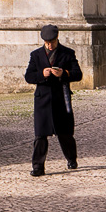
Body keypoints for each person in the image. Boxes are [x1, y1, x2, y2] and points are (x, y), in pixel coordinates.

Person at [24, 24, 82, 176]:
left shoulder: (68, 53)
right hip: (42, 100)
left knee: (65, 133)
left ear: (57, 38)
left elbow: (78, 74)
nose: (50, 45)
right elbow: (29, 76)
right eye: (47, 42)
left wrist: (64, 73)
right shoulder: (36, 55)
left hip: (61, 99)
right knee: (40, 135)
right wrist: (42, 74)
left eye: (52, 42)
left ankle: (71, 158)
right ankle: (38, 167)